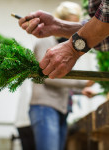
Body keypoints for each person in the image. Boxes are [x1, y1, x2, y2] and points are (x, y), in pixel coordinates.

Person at [28, 2, 93, 150]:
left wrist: (81, 92)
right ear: (61, 21)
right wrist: (82, 84)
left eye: (77, 26)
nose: (73, 30)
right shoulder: (45, 42)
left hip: (61, 110)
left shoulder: (65, 47)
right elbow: (48, 77)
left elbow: (63, 80)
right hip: (45, 107)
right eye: (70, 24)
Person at [18, 0, 109, 79]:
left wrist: (72, 49)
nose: (77, 35)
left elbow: (105, 20)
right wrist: (60, 27)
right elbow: (104, 33)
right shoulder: (47, 43)